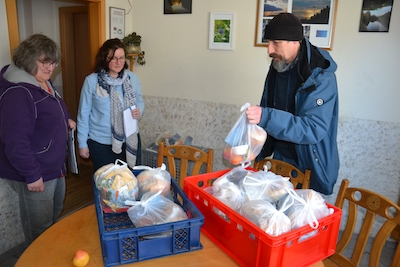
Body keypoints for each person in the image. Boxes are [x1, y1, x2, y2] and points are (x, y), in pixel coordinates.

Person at [245, 13, 339, 195]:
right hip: (282, 161)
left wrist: (265, 116)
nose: (269, 49)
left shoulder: (321, 75)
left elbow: (313, 128)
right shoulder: (278, 65)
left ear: (295, 41)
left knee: (302, 220)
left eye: (275, 43)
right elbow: (267, 107)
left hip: (311, 163)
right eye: (268, 42)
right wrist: (255, 150)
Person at [0, 33, 76, 247]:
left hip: (54, 167)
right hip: (37, 172)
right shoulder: (19, 91)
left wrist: (66, 120)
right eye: (45, 62)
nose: (50, 67)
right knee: (40, 231)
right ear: (27, 58)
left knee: (53, 218)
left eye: (53, 62)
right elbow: (15, 140)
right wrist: (32, 175)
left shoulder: (43, 81)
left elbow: (48, 112)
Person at [77, 38, 145, 171]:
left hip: (130, 140)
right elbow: (83, 114)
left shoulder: (132, 78)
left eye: (121, 58)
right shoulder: (91, 81)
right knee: (107, 186)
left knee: (131, 183)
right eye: (113, 58)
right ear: (104, 58)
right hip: (101, 143)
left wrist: (139, 110)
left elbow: (139, 100)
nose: (118, 62)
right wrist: (82, 143)